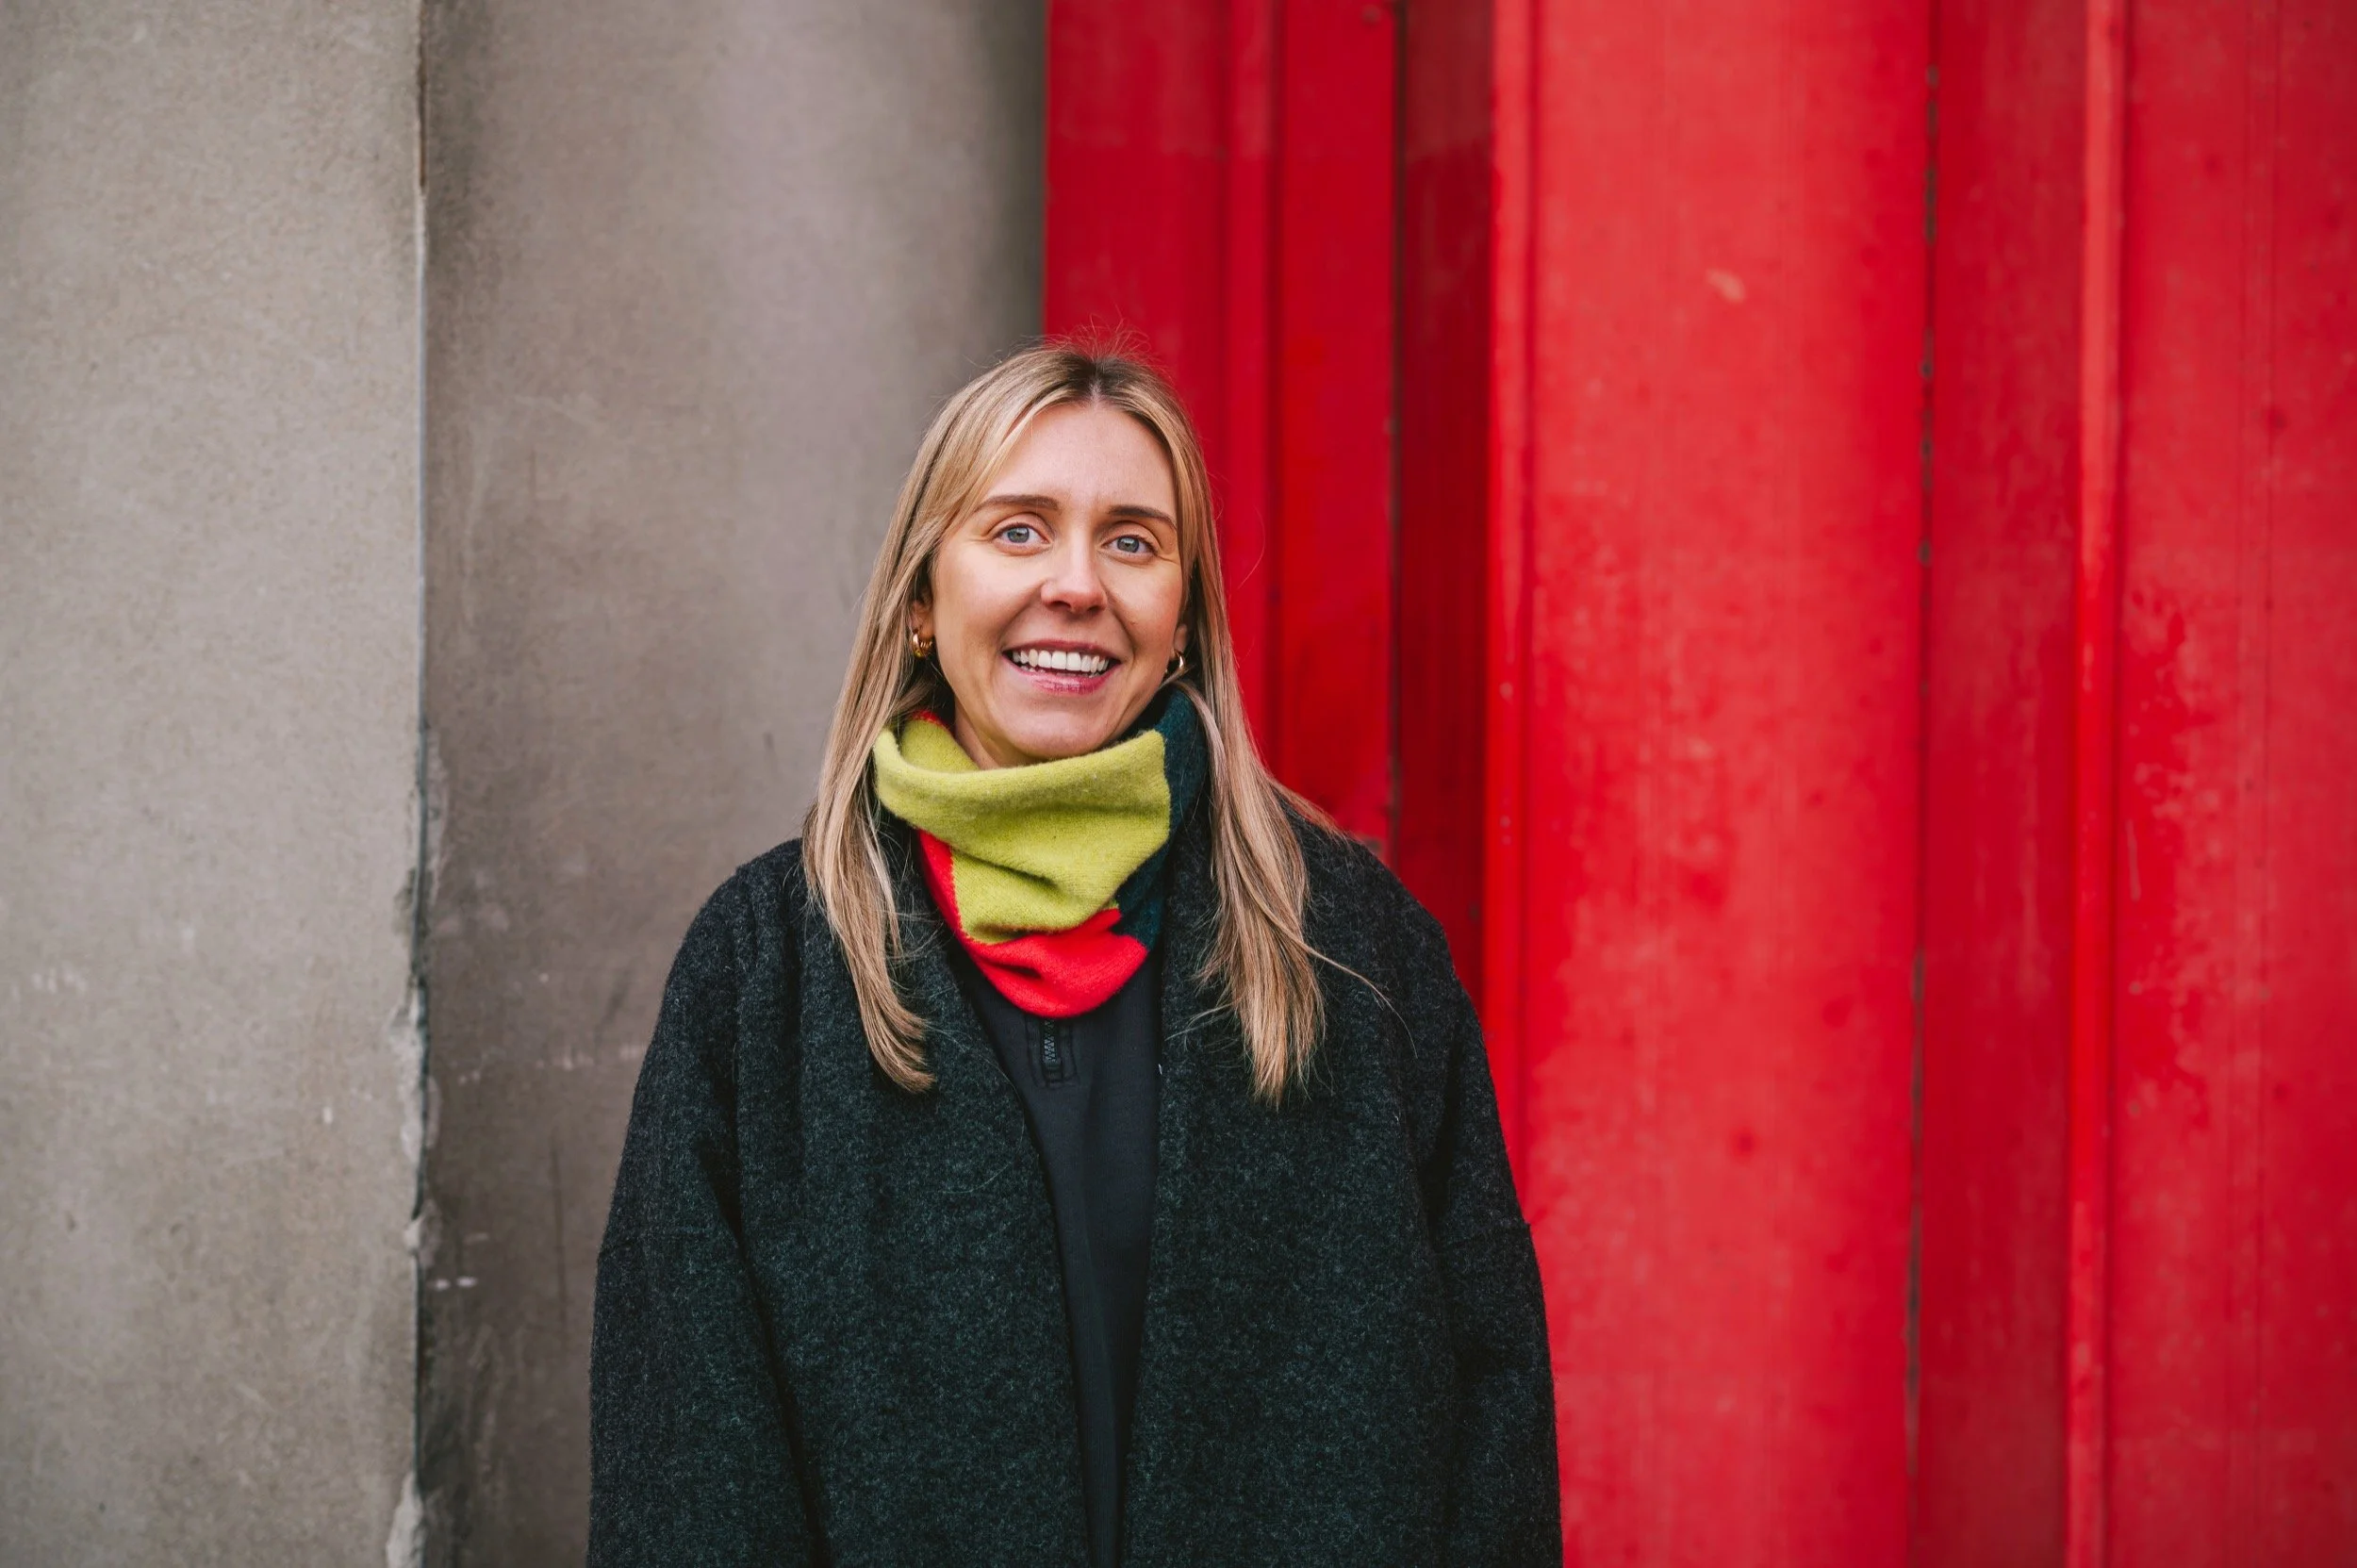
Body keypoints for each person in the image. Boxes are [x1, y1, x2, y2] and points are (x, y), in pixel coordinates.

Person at [587, 343, 1558, 1566]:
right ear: (922, 603)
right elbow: (684, 1476)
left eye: (1134, 541)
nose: (1077, 584)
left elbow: (1495, 1419)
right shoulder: (762, 971)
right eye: (1018, 529)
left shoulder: (1356, 952)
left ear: (1183, 624)